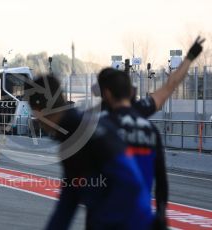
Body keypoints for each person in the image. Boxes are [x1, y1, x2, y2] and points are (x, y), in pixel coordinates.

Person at [27, 75, 153, 230]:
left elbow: (130, 183)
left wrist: (101, 222)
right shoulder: (74, 132)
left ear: (38, 111)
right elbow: (69, 199)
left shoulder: (81, 134)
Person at [97, 68, 168, 229]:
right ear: (130, 93)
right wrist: (161, 214)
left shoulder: (101, 127)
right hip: (142, 218)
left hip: (109, 219)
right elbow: (162, 180)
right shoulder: (150, 129)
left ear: (106, 94)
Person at [92, 36, 205, 117]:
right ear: (131, 92)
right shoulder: (139, 109)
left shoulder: (97, 121)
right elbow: (171, 84)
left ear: (105, 94)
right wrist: (190, 57)